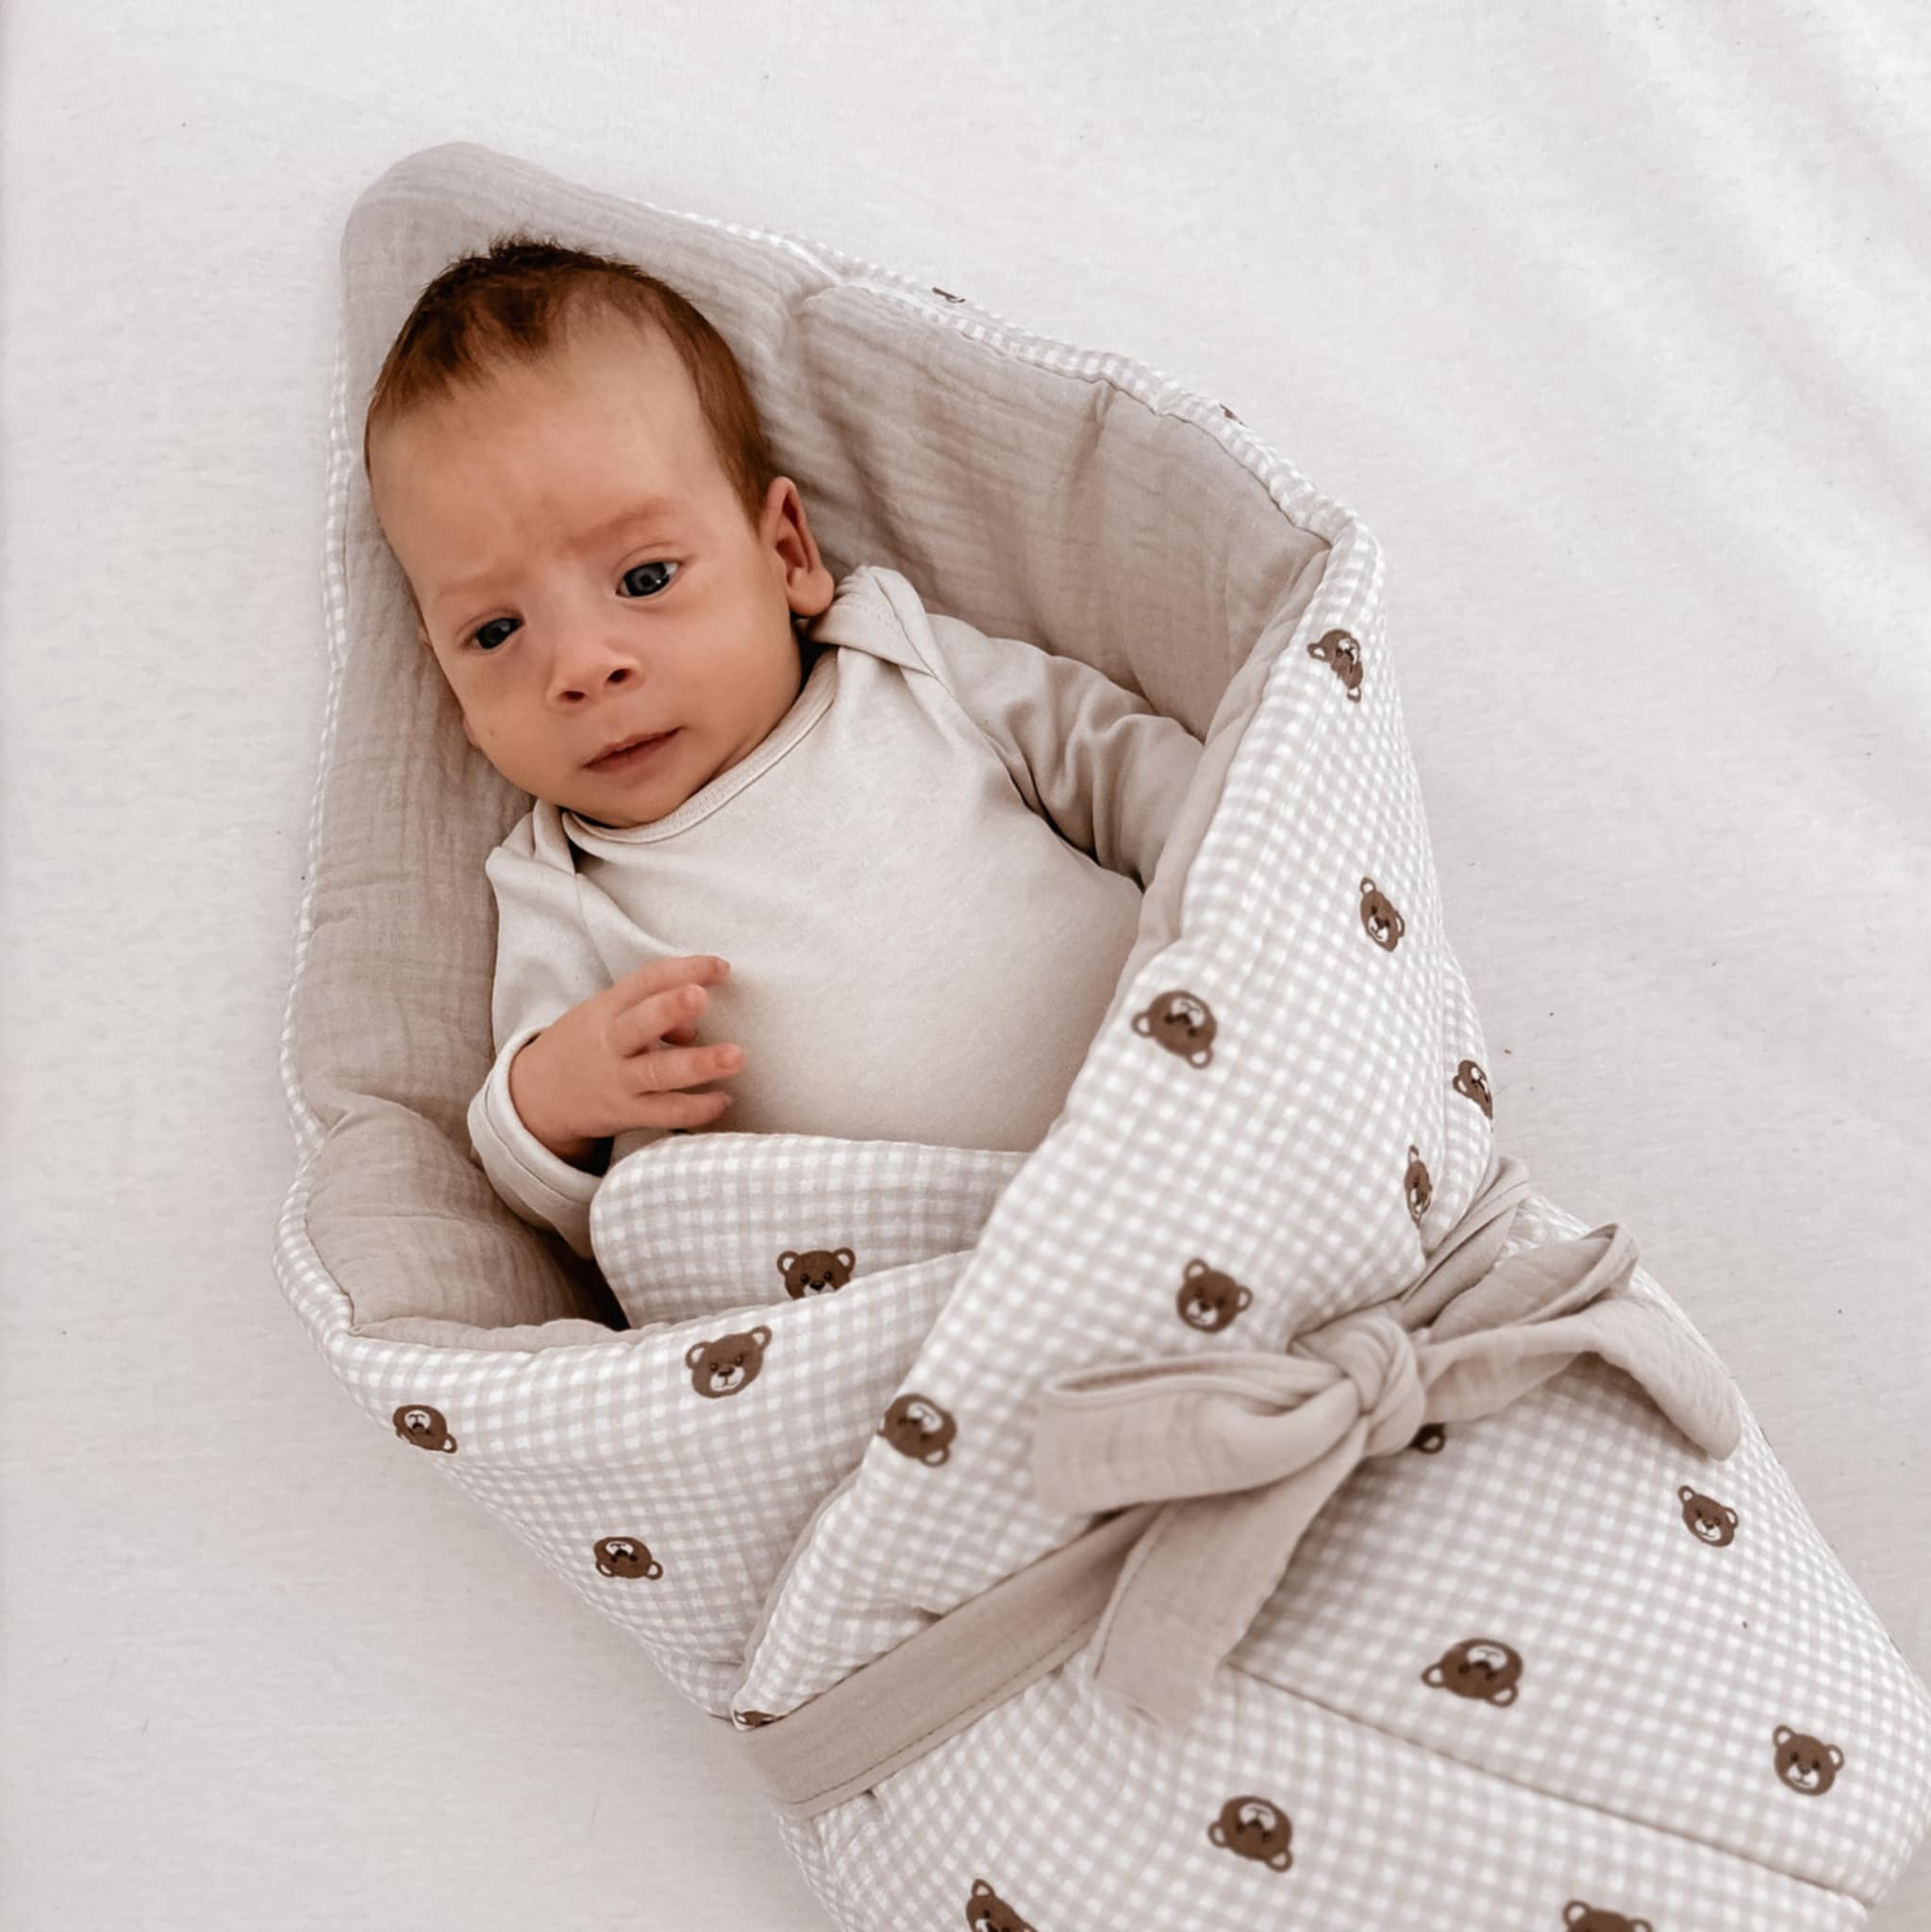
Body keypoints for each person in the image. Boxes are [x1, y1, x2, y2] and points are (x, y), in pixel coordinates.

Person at [363, 235, 1204, 1261]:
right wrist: (549, 1099)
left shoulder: (897, 661)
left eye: (644, 578)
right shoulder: (560, 881)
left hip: (1185, 1095)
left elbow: (1118, 761)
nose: (580, 667)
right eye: (496, 632)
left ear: (788, 553)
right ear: (450, 687)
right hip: (928, 1267)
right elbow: (562, 1197)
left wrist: (1244, 876)